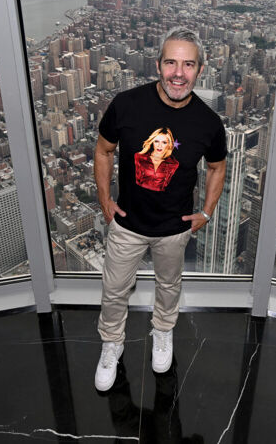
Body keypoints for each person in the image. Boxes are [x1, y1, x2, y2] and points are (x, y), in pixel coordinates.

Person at [94, 26, 227, 391]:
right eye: (171, 62)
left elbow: (217, 167)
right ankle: (112, 343)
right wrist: (105, 200)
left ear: (200, 70)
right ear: (158, 65)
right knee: (114, 289)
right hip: (127, 224)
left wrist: (207, 211)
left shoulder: (209, 123)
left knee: (169, 286)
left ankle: (163, 333)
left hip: (174, 227)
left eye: (188, 64)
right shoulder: (126, 103)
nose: (178, 73)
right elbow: (103, 150)